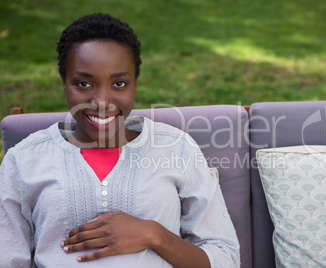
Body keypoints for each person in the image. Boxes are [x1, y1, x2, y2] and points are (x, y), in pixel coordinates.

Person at [0, 13, 240, 267]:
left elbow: (225, 258)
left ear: (135, 84)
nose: (102, 102)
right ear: (64, 84)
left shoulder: (176, 147)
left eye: (119, 83)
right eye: (83, 83)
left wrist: (154, 235)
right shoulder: (25, 159)